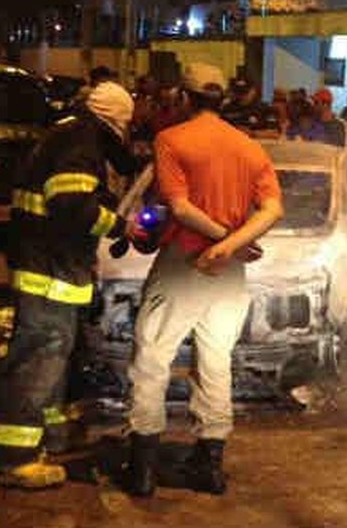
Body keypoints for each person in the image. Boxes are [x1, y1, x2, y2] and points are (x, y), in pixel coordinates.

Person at [126, 63, 284, 497]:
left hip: (184, 263)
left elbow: (177, 207)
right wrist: (234, 244)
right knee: (216, 362)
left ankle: (142, 469)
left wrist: (220, 240)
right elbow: (272, 210)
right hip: (230, 274)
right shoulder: (250, 148)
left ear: (185, 98)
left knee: (152, 357)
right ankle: (210, 465)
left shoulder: (171, 139)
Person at [0, 82, 137, 488]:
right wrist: (122, 226)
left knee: (53, 359)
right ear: (117, 121)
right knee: (37, 361)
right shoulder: (81, 142)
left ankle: (49, 438)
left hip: (48, 266)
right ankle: (14, 459)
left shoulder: (67, 134)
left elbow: (79, 194)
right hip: (48, 271)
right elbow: (72, 205)